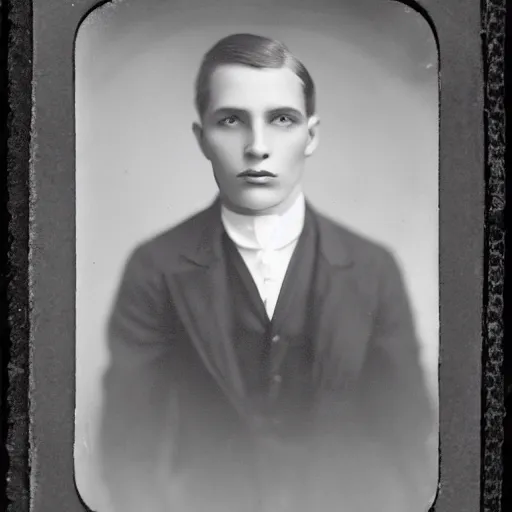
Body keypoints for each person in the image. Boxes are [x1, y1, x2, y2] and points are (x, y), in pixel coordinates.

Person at [99, 33, 435, 512]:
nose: (257, 147)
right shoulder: (156, 267)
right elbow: (128, 449)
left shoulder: (371, 267)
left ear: (311, 136)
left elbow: (407, 436)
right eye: (231, 120)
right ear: (202, 139)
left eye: (282, 120)